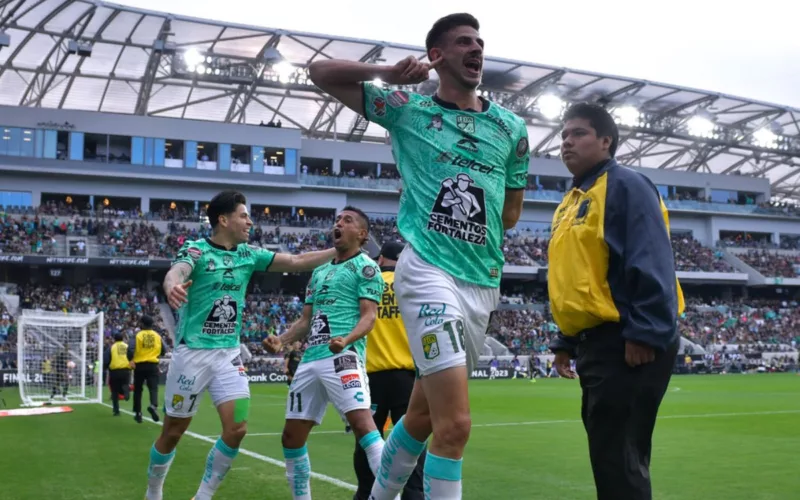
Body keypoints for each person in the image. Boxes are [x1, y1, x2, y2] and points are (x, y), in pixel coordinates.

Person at [308, 13, 529, 499]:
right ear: (436, 56)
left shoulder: (511, 128)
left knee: (422, 418)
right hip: (429, 270)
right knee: (456, 427)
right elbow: (319, 72)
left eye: (480, 42)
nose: (476, 49)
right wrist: (386, 74)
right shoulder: (407, 108)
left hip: (482, 284)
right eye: (463, 42)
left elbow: (511, 213)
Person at [142, 190, 336, 500]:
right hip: (192, 354)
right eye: (243, 215)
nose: (249, 221)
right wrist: (172, 286)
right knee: (173, 432)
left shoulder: (249, 254)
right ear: (224, 219)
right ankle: (153, 492)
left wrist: (335, 250)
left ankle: (203, 496)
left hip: (229, 355)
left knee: (237, 429)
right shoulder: (197, 250)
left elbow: (297, 261)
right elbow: (176, 272)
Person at [547, 102, 685, 500]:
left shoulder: (626, 184)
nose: (566, 142)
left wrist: (645, 332)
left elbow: (650, 256)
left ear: (606, 141)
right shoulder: (572, 199)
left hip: (627, 339)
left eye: (578, 134)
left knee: (619, 459)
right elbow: (578, 274)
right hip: (598, 341)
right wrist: (567, 341)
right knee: (611, 456)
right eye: (563, 136)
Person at [263, 207, 387, 500]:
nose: (339, 224)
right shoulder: (319, 271)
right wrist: (281, 340)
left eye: (348, 220)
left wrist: (347, 339)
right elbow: (306, 321)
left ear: (362, 234)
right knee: (291, 437)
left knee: (362, 425)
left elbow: (369, 317)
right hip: (311, 359)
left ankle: (389, 495)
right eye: (337, 220)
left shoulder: (367, 268)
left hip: (343, 356)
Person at [352, 241, 426, 500]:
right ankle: (414, 493)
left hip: (371, 376)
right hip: (407, 375)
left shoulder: (368, 283)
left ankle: (366, 493)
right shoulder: (413, 283)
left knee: (367, 437)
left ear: (381, 259)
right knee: (413, 439)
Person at [128, 315, 165, 423]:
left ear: (142, 324)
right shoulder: (157, 336)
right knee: (153, 388)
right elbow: (163, 350)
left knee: (138, 390)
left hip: (139, 365)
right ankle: (153, 405)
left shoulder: (137, 335)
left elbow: (130, 349)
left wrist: (130, 359)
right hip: (153, 365)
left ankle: (138, 413)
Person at [104, 332, 131, 416]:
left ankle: (116, 411)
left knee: (115, 392)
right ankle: (125, 390)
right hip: (126, 370)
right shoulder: (127, 346)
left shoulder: (111, 347)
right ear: (122, 339)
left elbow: (106, 359)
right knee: (124, 385)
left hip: (115, 371)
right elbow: (133, 357)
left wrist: (106, 367)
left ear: (114, 339)